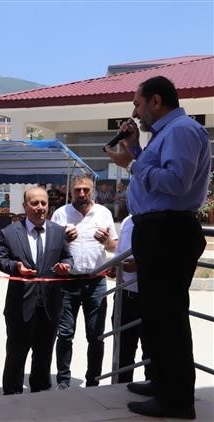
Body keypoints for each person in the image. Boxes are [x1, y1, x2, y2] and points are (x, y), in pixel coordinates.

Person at [105, 75, 210, 419]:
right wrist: (135, 149)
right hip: (159, 230)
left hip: (169, 230)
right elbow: (158, 174)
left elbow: (176, 183)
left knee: (168, 316)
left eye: (137, 103)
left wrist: (131, 164)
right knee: (157, 314)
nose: (135, 111)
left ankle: (176, 399)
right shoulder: (165, 134)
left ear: (156, 101)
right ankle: (163, 381)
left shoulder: (180, 131)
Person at [0, 187, 72, 395]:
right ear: (25, 206)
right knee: (16, 355)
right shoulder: (10, 232)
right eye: (35, 203)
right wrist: (16, 267)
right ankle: (12, 396)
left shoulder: (57, 231)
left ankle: (39, 394)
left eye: (43, 203)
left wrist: (66, 266)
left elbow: (66, 256)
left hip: (50, 306)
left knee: (44, 355)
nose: (40, 208)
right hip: (20, 305)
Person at [51, 175, 118, 390]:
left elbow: (114, 247)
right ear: (71, 191)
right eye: (78, 190)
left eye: (86, 190)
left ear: (93, 191)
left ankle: (93, 381)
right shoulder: (61, 214)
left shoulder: (104, 213)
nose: (82, 194)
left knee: (96, 336)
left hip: (95, 282)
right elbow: (51, 248)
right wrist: (64, 239)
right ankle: (63, 381)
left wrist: (107, 241)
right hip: (67, 283)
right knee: (65, 335)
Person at [106, 215, 150, 383]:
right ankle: (121, 389)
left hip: (148, 297)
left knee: (151, 351)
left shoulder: (158, 221)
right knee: (122, 351)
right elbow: (119, 254)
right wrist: (115, 267)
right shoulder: (127, 221)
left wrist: (141, 263)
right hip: (124, 296)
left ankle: (151, 388)